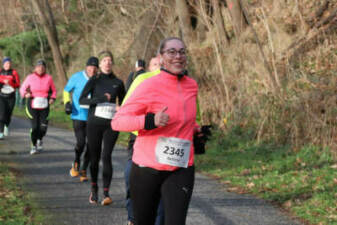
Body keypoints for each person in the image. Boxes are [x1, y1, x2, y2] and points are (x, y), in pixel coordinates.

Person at [111, 37, 204, 225]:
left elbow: (182, 120)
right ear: (161, 57)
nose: (178, 56)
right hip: (147, 168)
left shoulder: (191, 86)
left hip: (180, 167)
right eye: (171, 52)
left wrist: (196, 130)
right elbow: (118, 122)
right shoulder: (148, 85)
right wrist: (150, 120)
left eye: (182, 51)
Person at [79, 50, 125, 205]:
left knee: (106, 156)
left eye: (110, 60)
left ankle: (106, 193)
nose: (107, 63)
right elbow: (82, 100)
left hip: (111, 124)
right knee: (94, 157)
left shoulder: (118, 83)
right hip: (94, 123)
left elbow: (125, 103)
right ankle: (94, 190)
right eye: (104, 60)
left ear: (112, 63)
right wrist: (98, 99)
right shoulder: (94, 80)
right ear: (100, 64)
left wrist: (121, 108)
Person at [123, 57, 164, 225]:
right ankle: (133, 215)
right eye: (155, 64)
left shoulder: (178, 81)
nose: (159, 68)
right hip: (141, 136)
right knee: (131, 175)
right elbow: (126, 110)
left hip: (165, 141)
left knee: (162, 185)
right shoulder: (142, 79)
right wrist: (145, 125)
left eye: (162, 64)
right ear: (148, 67)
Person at [63, 56, 99, 181]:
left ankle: (84, 169)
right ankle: (76, 161)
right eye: (90, 67)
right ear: (86, 67)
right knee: (81, 142)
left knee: (91, 144)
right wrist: (67, 103)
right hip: (78, 114)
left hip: (93, 116)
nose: (92, 70)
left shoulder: (98, 80)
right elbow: (66, 91)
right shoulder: (77, 77)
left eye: (95, 68)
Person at [20, 59, 57, 155]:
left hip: (44, 105)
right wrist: (25, 94)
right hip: (33, 104)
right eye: (38, 67)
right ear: (35, 68)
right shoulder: (30, 77)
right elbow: (22, 88)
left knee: (43, 128)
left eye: (42, 67)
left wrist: (53, 98)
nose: (40, 68)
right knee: (35, 127)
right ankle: (33, 146)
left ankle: (40, 139)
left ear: (45, 69)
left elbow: (54, 91)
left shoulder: (49, 78)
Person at [0, 57, 20, 139]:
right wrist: (2, 83)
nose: (7, 65)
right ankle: (1, 132)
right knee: (1, 114)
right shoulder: (0, 72)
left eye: (9, 63)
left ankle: (6, 126)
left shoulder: (14, 72)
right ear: (3, 64)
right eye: (6, 63)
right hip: (1, 96)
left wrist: (11, 83)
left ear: (10, 64)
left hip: (11, 96)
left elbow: (18, 84)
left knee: (8, 114)